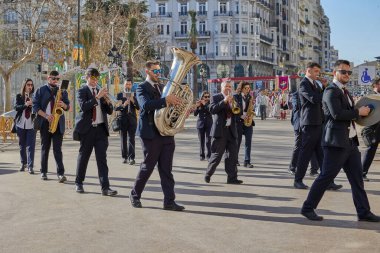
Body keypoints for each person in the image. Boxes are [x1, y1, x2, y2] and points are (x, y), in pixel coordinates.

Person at [301, 59, 380, 222]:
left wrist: (364, 111)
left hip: (350, 142)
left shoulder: (344, 91)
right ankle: (307, 207)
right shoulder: (331, 91)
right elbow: (337, 114)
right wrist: (359, 112)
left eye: (349, 72)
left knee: (357, 179)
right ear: (335, 72)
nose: (347, 75)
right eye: (343, 72)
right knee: (325, 177)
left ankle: (363, 212)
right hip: (336, 143)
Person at [129, 60, 184, 211]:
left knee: (167, 169)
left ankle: (169, 201)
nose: (159, 74)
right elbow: (145, 105)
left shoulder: (162, 87)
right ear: (147, 71)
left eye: (159, 71)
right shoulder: (141, 87)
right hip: (150, 133)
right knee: (147, 167)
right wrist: (166, 100)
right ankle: (134, 195)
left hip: (166, 133)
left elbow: (167, 108)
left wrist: (180, 108)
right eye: (155, 71)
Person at [294, 62, 341, 191]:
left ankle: (328, 181)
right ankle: (298, 180)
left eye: (318, 72)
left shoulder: (315, 84)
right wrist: (326, 91)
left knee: (322, 154)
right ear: (308, 70)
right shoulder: (304, 84)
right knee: (305, 154)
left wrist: (325, 86)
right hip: (309, 123)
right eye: (315, 71)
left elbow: (321, 98)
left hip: (318, 122)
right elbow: (314, 99)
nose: (318, 74)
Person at [73, 68, 117, 196]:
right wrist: (97, 97)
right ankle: (79, 183)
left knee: (102, 159)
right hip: (87, 130)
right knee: (84, 157)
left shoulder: (100, 92)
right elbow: (84, 106)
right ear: (87, 77)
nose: (95, 81)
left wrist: (108, 101)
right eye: (92, 78)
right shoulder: (82, 90)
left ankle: (105, 187)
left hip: (101, 130)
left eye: (96, 79)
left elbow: (109, 111)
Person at [33, 70, 69, 182]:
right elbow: (35, 107)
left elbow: (68, 107)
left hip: (58, 123)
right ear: (48, 78)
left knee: (58, 150)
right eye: (53, 78)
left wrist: (63, 104)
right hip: (45, 123)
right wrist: (46, 116)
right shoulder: (41, 90)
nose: (56, 81)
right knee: (45, 148)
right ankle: (43, 172)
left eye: (58, 79)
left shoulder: (62, 91)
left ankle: (60, 174)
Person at [205, 80, 243, 184]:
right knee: (217, 155)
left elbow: (238, 112)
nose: (228, 88)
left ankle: (232, 178)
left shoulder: (233, 97)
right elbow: (212, 109)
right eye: (226, 86)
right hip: (220, 131)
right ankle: (208, 174)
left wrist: (233, 105)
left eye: (230, 86)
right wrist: (224, 101)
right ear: (221, 87)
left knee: (232, 156)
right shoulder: (216, 97)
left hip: (231, 130)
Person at [288, 89, 319, 176]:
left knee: (313, 145)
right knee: (298, 145)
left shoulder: (313, 92)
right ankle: (292, 167)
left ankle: (314, 170)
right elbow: (296, 108)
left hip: (310, 123)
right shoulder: (295, 94)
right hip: (299, 123)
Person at [14, 78, 36, 174]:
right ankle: (23, 163)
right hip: (20, 124)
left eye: (31, 85)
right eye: (28, 84)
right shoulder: (19, 96)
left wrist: (33, 106)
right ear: (24, 85)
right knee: (22, 145)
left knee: (31, 146)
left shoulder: (35, 96)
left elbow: (38, 108)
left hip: (31, 125)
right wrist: (25, 105)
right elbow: (16, 107)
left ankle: (30, 166)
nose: (30, 86)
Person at [115, 79, 139, 165]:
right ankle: (124, 157)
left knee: (131, 139)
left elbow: (139, 107)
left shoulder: (135, 95)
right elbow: (116, 108)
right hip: (122, 119)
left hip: (132, 119)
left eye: (129, 84)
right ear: (124, 85)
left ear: (131, 86)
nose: (128, 86)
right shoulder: (120, 95)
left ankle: (131, 158)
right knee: (123, 138)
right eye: (126, 84)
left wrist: (133, 100)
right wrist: (123, 105)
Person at [361, 77, 380, 181]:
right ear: (375, 85)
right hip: (372, 128)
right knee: (370, 150)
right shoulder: (370, 97)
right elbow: (364, 114)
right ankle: (362, 173)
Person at [234, 81, 255, 168]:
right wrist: (241, 116)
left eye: (249, 88)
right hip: (238, 121)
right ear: (241, 88)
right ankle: (235, 160)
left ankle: (247, 161)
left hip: (248, 121)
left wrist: (251, 112)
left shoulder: (249, 97)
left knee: (248, 142)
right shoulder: (235, 97)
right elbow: (233, 109)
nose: (248, 90)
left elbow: (249, 108)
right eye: (246, 88)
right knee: (237, 142)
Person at [194, 91, 212, 161]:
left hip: (209, 124)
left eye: (208, 96)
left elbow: (211, 111)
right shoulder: (199, 103)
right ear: (202, 97)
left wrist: (205, 104)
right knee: (201, 141)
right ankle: (202, 155)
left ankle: (209, 156)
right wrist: (197, 106)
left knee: (208, 141)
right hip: (200, 124)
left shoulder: (211, 103)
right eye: (205, 97)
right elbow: (195, 114)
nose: (207, 98)